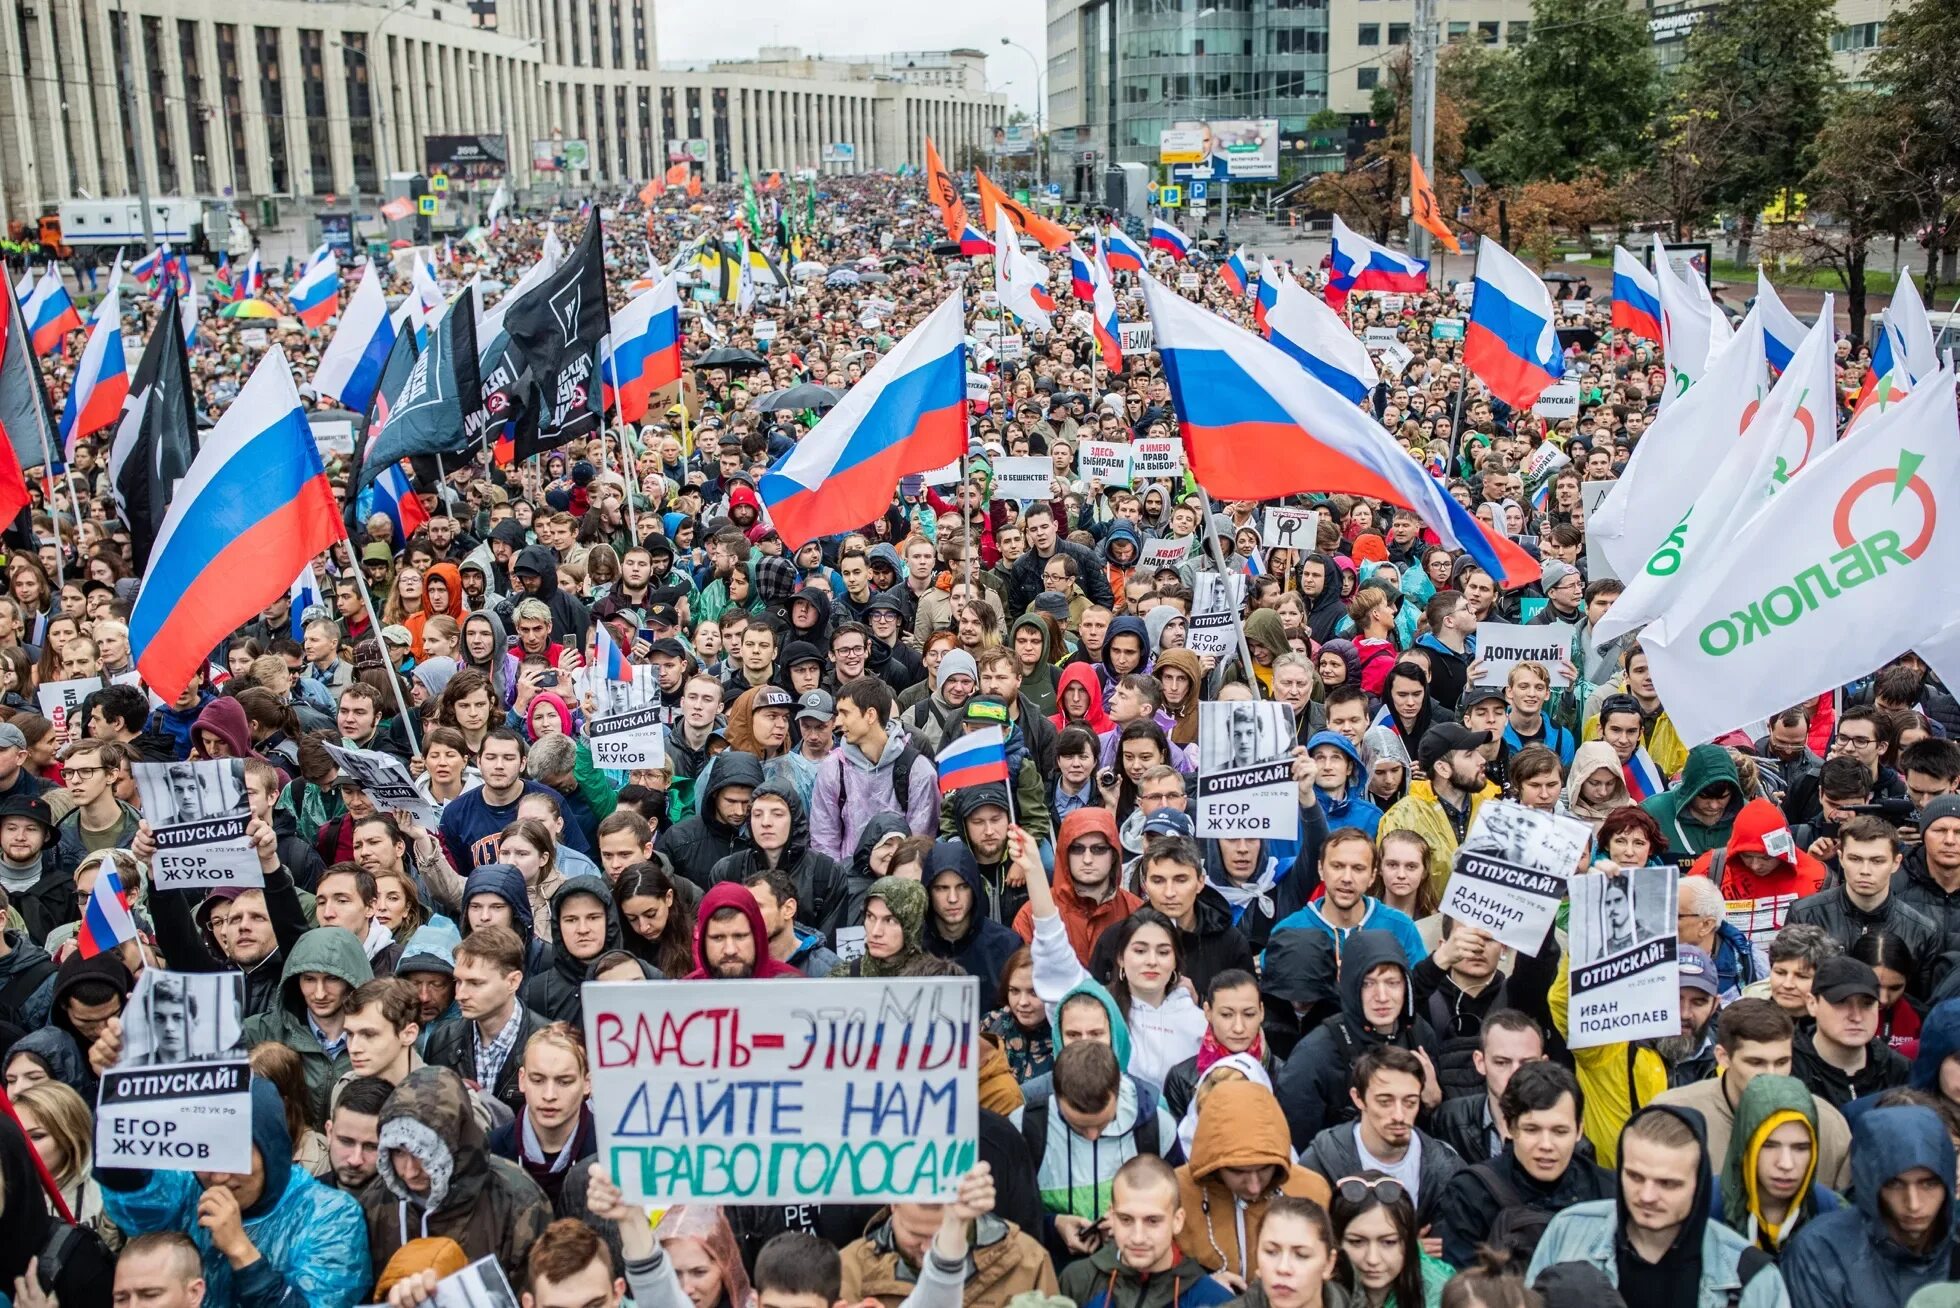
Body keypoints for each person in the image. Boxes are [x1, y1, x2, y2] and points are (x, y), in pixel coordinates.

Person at [93, 1077, 371, 1307]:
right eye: (205, 1156)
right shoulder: (187, 1187)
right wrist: (121, 1098)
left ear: (270, 1148)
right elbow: (134, 1200)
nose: (220, 1177)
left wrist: (241, 1252)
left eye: (234, 1157)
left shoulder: (330, 1216)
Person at [1526, 1105, 1788, 1307]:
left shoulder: (1751, 1277)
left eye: (1668, 1184)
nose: (1647, 1195)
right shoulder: (1569, 1232)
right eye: (1635, 1177)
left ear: (1699, 1185)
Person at [358, 1065, 553, 1286]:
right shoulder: (375, 1204)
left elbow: (539, 1291)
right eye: (399, 1152)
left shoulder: (517, 1199)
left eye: (425, 1154)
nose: (410, 1170)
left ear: (455, 1143)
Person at [1653, 999, 1854, 1192]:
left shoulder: (1827, 1124)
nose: (1771, 1075)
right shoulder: (1672, 1116)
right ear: (1723, 1057)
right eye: (1756, 1063)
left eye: (1782, 1062)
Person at [1431, 1060, 1611, 1268]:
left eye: (1560, 1131)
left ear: (1579, 1130)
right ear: (1509, 1127)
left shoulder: (1607, 1191)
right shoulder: (1470, 1194)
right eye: (1532, 1130)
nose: (1546, 1145)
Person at [1780, 1104, 1956, 1308]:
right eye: (1895, 1184)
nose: (1914, 1204)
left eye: (1929, 1184)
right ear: (1871, 1184)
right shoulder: (1821, 1252)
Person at [1278, 931, 1441, 1151]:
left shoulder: (1420, 1033)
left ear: (1406, 986)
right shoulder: (1315, 1054)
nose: (1382, 996)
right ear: (1349, 986)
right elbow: (1295, 1146)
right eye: (1368, 984)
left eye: (1392, 983)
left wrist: (1432, 1103)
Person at [837, 1161, 1055, 1308]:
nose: (930, 1249)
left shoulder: (1027, 1260)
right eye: (915, 1234)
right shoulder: (849, 1269)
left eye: (942, 1235)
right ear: (893, 1205)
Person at [1175, 1078, 1332, 1282]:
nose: (1254, 1185)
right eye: (1239, 1172)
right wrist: (1202, 1285)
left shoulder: (1312, 1190)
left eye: (1264, 1169)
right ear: (1214, 1165)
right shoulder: (1176, 1191)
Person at [1299, 1047, 1463, 1224]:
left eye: (1410, 1102)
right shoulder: (1320, 1161)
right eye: (1385, 1102)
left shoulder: (1446, 1168)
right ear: (1358, 1098)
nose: (1399, 1115)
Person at [1056, 1154, 1238, 1308]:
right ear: (1111, 1216)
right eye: (1125, 1219)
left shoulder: (1212, 1299)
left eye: (1152, 1221)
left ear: (1177, 1221)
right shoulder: (1077, 1281)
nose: (1138, 1237)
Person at [1716, 1074, 1841, 1258]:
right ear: (1746, 1145)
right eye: (1769, 1146)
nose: (1786, 1164)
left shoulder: (1832, 1213)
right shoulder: (1705, 1209)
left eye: (1801, 1148)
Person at [1793, 955, 1910, 1108]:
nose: (1856, 1016)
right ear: (1812, 1004)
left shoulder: (1900, 1070)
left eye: (1867, 1004)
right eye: (1841, 1002)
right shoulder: (1788, 1069)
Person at [1328, 1170, 1451, 1308]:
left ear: (1409, 1242)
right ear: (1335, 1242)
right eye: (1357, 1242)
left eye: (1388, 1242)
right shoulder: (1310, 1292)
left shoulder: (1443, 1294)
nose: (1372, 1259)